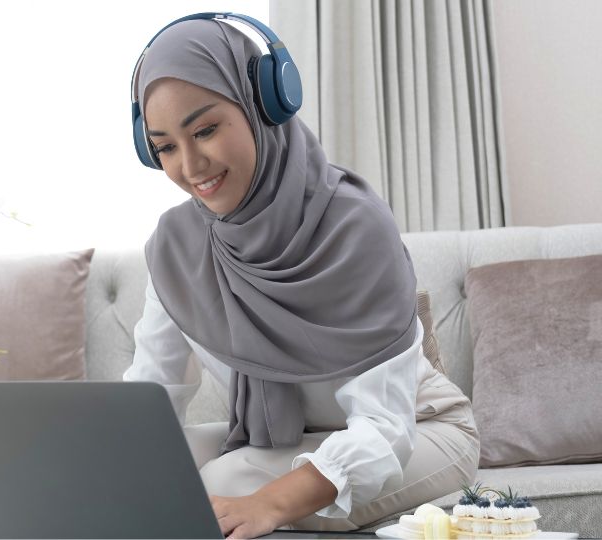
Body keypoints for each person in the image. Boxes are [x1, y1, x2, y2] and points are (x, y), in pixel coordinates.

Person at [123, 13, 480, 538]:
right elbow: (151, 397)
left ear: (264, 104)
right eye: (166, 147)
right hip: (285, 439)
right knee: (138, 477)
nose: (191, 165)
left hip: (419, 431)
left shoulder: (354, 226)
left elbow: (385, 427)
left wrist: (269, 504)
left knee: (213, 485)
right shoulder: (178, 244)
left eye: (205, 130)